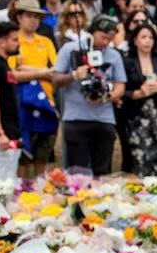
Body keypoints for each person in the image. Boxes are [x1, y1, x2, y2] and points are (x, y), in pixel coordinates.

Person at [52, 15, 127, 175]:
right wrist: (74, 75)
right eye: (103, 37)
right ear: (93, 32)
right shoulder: (71, 49)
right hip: (76, 117)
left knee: (102, 170)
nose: (105, 42)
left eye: (110, 39)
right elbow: (56, 79)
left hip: (104, 119)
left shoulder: (114, 55)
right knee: (77, 171)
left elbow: (120, 85)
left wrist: (106, 97)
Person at [0, 22, 43, 174]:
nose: (18, 43)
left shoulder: (3, 64)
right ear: (1, 42)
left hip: (11, 131)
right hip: (0, 137)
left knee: (10, 179)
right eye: (14, 40)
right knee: (1, 181)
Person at [11, 0, 59, 173]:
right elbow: (13, 74)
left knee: (42, 156)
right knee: (22, 157)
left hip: (47, 101)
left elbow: (56, 71)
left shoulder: (46, 42)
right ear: (19, 17)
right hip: (21, 104)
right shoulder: (14, 41)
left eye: (37, 17)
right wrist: (42, 72)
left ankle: (40, 188)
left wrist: (26, 69)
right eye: (29, 16)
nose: (33, 20)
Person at [122, 22, 157, 175]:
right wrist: (139, 93)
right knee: (141, 159)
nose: (147, 41)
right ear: (135, 40)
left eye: (151, 38)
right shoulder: (127, 62)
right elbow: (121, 91)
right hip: (137, 117)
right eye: (143, 37)